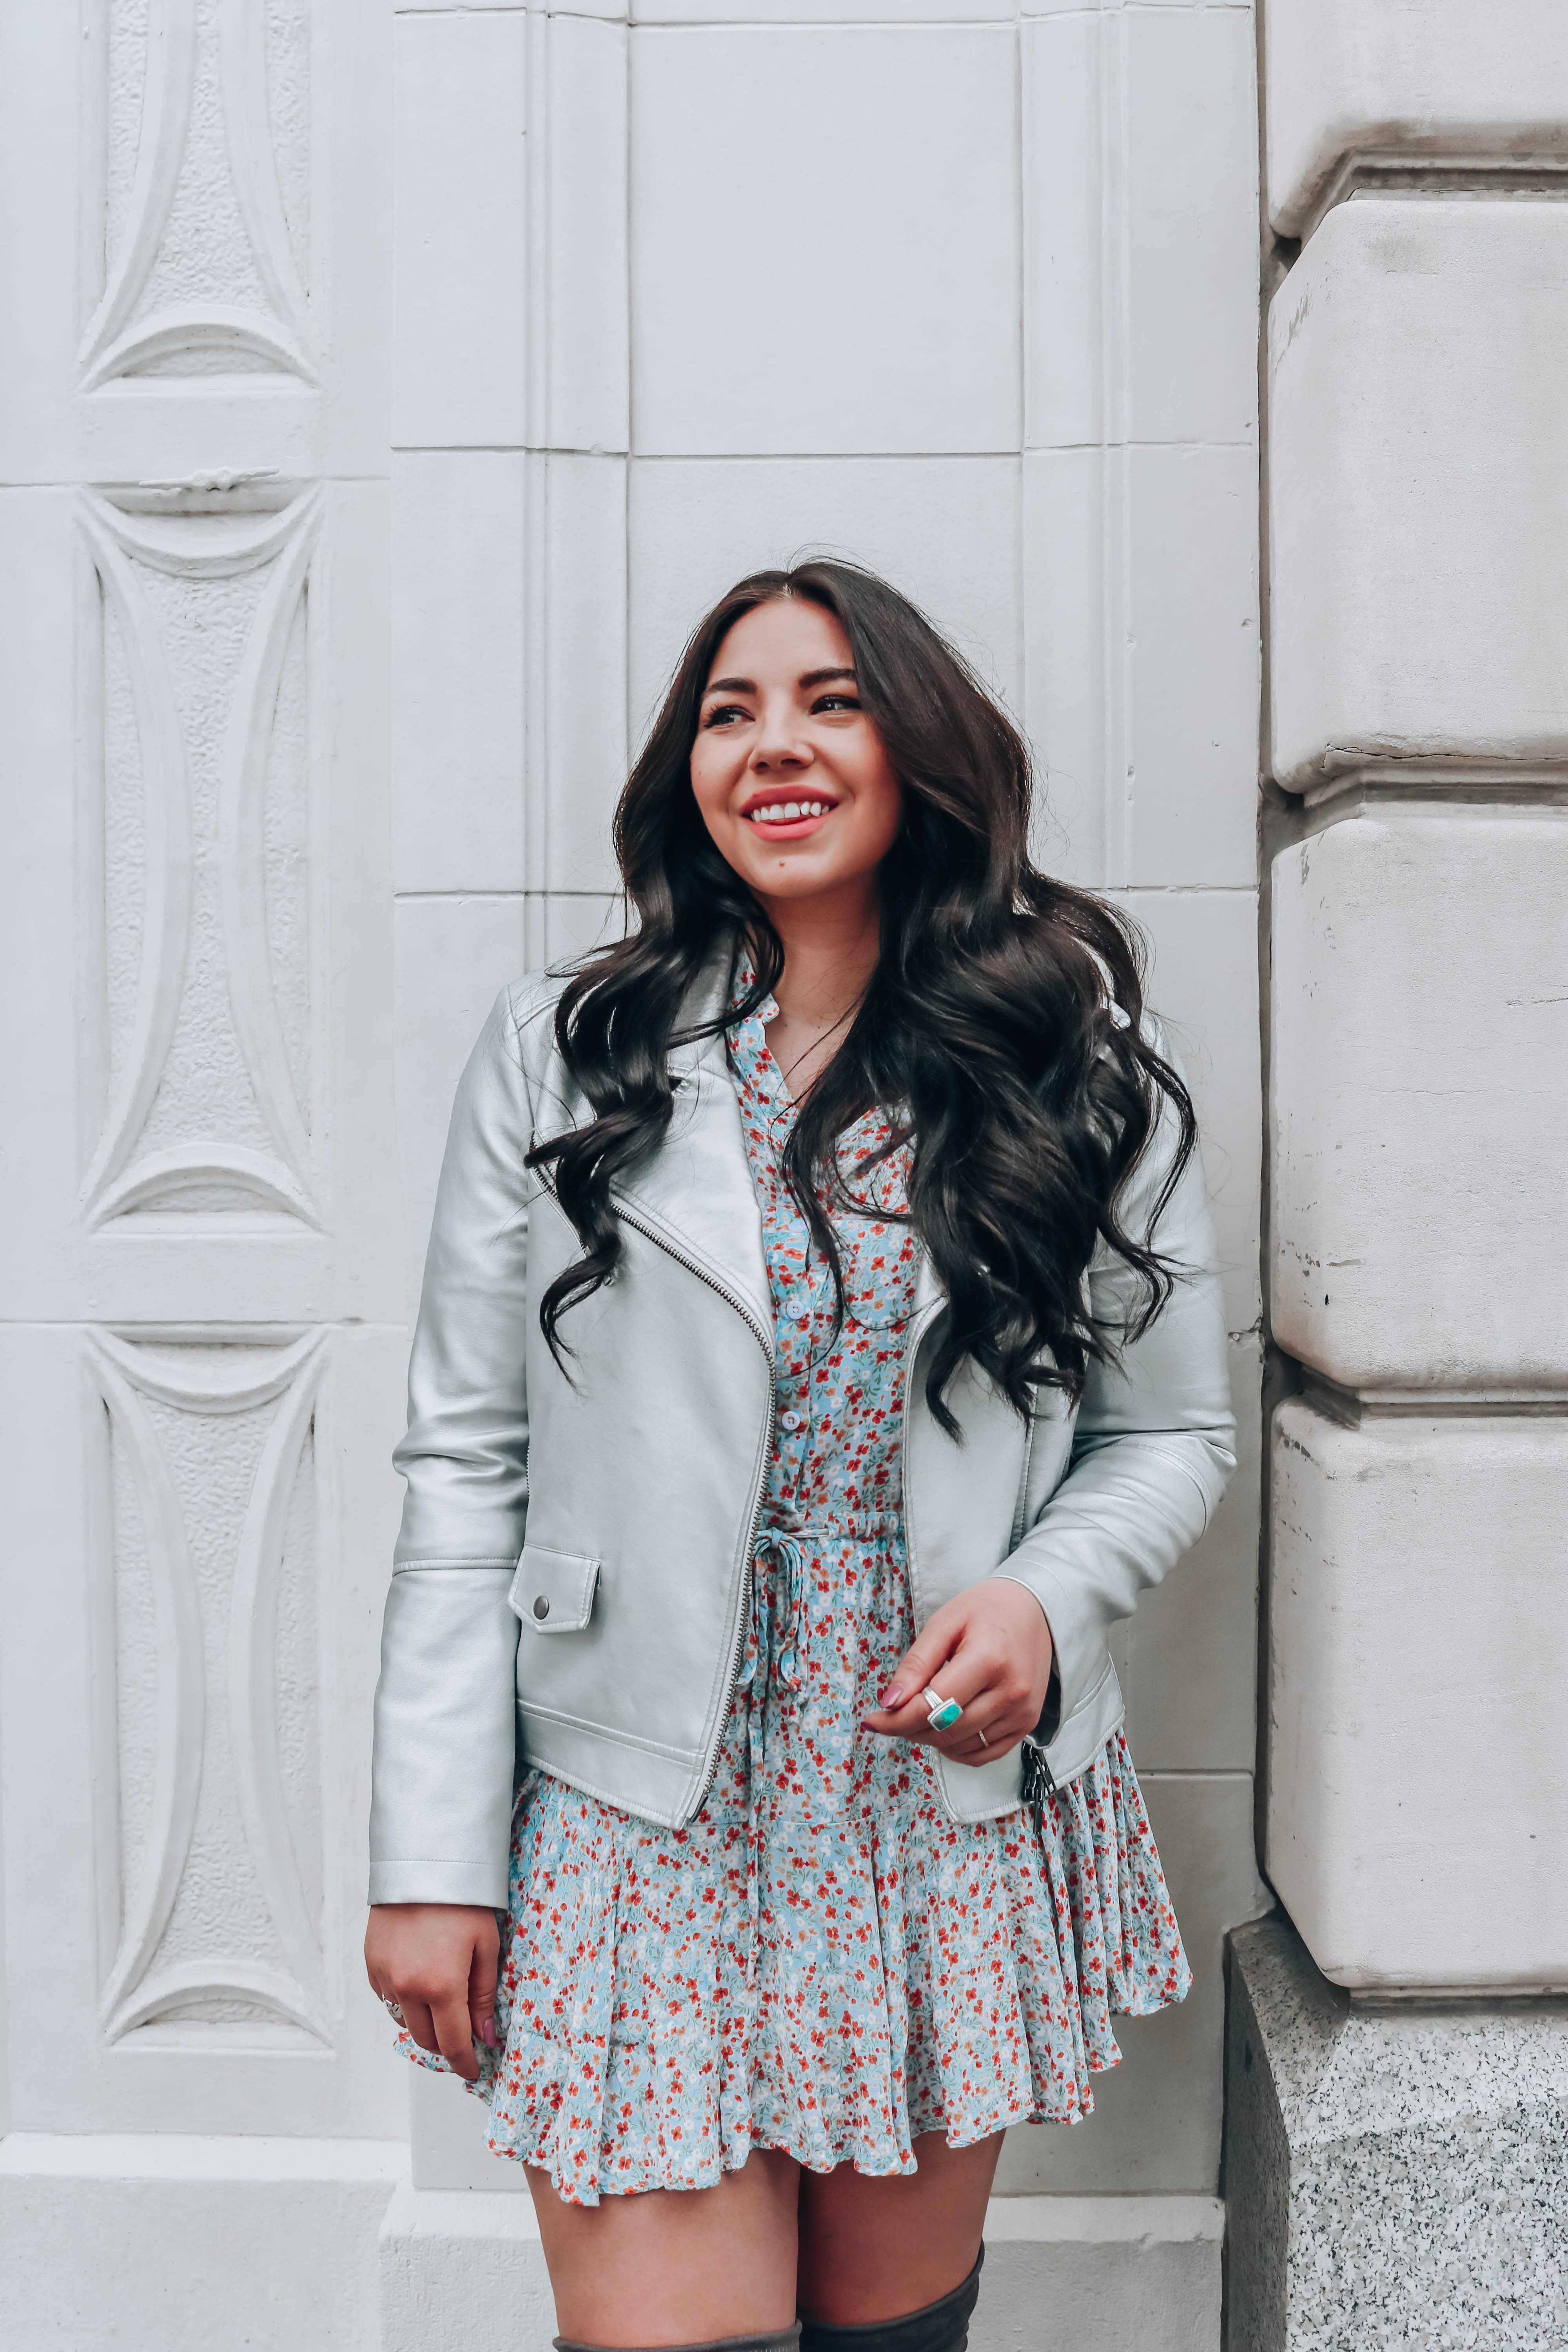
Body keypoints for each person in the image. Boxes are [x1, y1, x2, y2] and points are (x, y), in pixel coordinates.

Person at [364, 560, 1234, 2352]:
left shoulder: (1069, 1061)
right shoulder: (561, 1056)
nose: (773, 745)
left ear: (919, 748)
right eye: (727, 710)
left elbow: (1171, 1437)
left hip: (923, 1805)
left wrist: (1040, 1600)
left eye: (830, 701)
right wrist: (430, 1855)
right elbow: (463, 1468)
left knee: (891, 2346)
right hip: (634, 1812)